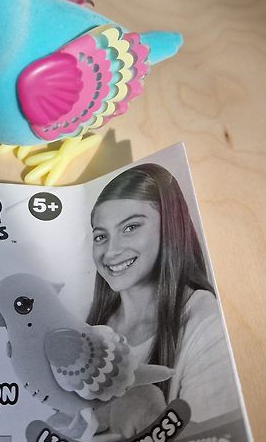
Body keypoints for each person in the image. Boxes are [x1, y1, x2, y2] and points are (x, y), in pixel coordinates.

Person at [87, 163, 240, 425]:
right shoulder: (87, 321)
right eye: (101, 236)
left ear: (170, 227)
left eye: (130, 227)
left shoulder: (207, 323)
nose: (111, 252)